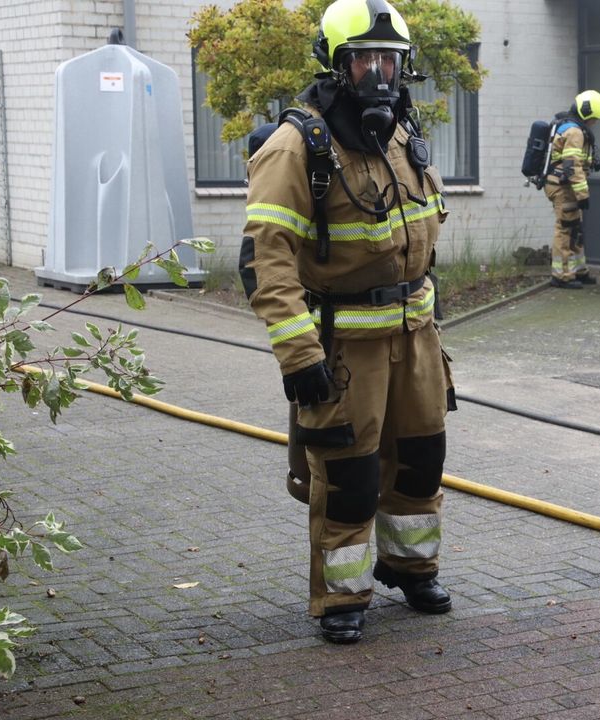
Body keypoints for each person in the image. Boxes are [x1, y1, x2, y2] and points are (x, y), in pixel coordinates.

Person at [240, 0, 456, 644]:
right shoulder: (294, 147)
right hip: (344, 348)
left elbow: (422, 235)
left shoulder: (399, 136)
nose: (381, 74)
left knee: (421, 461)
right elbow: (264, 261)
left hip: (416, 339)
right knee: (351, 478)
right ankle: (342, 597)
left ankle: (411, 567)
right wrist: (298, 354)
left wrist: (432, 330)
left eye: (390, 59)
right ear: (336, 66)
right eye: (364, 58)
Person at [544, 90, 600, 289]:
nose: (595, 122)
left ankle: (578, 270)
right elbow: (571, 165)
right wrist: (583, 195)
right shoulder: (575, 132)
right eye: (595, 118)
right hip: (563, 187)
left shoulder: (574, 129)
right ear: (587, 114)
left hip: (567, 186)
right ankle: (562, 276)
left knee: (575, 229)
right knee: (565, 229)